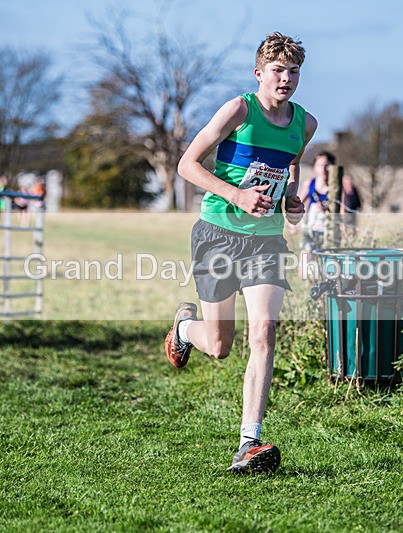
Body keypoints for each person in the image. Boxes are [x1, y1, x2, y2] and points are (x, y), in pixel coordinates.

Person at [164, 32, 315, 474]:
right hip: (218, 233)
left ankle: (249, 442)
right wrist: (236, 194)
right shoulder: (239, 110)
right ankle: (183, 328)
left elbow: (291, 162)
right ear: (259, 74)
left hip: (266, 241)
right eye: (277, 71)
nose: (285, 79)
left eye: (293, 72)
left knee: (264, 332)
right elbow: (186, 165)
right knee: (219, 345)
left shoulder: (305, 123)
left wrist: (290, 198)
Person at [298, 151, 334, 261]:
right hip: (311, 228)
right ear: (314, 167)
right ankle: (304, 277)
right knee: (306, 259)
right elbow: (296, 203)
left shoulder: (335, 187)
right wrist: (293, 223)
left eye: (326, 165)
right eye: (319, 165)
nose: (323, 169)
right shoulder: (309, 184)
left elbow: (342, 211)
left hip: (329, 230)